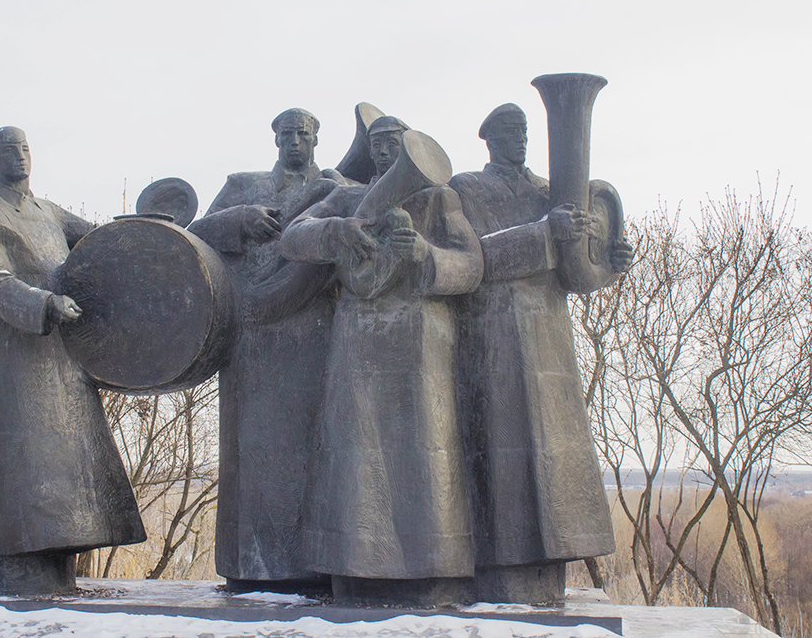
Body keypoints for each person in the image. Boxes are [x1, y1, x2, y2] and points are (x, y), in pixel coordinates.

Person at [280, 116, 484, 604]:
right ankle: (353, 569)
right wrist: (336, 230)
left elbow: (471, 266)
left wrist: (424, 253)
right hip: (359, 341)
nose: (386, 152)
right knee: (355, 450)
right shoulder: (350, 197)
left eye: (395, 144)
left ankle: (432, 571)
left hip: (421, 342)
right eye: (378, 145)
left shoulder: (440, 199)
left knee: (426, 452)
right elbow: (293, 236)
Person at [449, 104, 632, 603]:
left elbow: (575, 276)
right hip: (492, 331)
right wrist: (542, 233)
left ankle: (548, 569)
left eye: (525, 131)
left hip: (548, 334)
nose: (521, 140)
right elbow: (475, 258)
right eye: (511, 132)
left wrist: (608, 263)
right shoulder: (468, 188)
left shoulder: (549, 191)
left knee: (550, 454)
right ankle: (499, 571)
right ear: (489, 139)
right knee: (500, 450)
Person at [0, 127, 145, 595]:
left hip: (65, 353)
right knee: (25, 457)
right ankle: (18, 565)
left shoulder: (47, 211)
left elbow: (99, 240)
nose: (17, 156)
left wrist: (147, 230)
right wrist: (43, 305)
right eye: (6, 150)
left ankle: (58, 566)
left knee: (70, 460)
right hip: (15, 354)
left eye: (22, 148)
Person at [187, 109, 344, 592]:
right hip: (253, 337)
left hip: (319, 330)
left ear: (317, 139)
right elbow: (193, 235)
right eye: (286, 134)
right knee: (254, 453)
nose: (294, 141)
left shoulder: (339, 184)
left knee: (320, 447)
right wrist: (237, 220)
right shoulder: (243, 184)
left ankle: (318, 564)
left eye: (303, 134)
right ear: (274, 139)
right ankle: (252, 566)